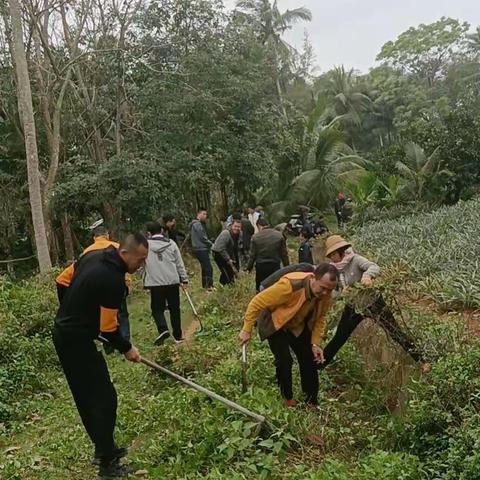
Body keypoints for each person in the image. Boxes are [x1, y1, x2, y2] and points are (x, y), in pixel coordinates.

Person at [53, 234, 148, 478]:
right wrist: (128, 348)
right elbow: (108, 330)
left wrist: (70, 310)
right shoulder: (113, 281)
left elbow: (62, 280)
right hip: (73, 341)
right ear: (125, 254)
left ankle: (104, 450)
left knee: (95, 396)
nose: (141, 266)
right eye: (140, 260)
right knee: (102, 399)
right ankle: (107, 463)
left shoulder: (96, 252)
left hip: (70, 334)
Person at [238, 263, 338, 407]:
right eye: (323, 288)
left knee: (308, 359)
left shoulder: (325, 295)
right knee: (284, 360)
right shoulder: (290, 285)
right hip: (276, 323)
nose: (325, 293)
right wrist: (246, 329)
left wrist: (315, 343)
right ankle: (287, 398)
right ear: (314, 278)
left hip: (297, 324)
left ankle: (311, 401)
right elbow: (257, 302)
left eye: (329, 290)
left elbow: (320, 319)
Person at [321, 235, 424, 367]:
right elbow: (333, 291)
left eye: (333, 254)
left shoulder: (355, 260)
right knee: (340, 337)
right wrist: (341, 293)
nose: (332, 258)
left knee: (395, 332)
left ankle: (422, 361)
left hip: (373, 303)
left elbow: (374, 266)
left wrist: (367, 276)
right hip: (353, 306)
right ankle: (320, 364)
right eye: (330, 255)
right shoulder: (334, 269)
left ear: (340, 251)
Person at [56, 225, 131, 353]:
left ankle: (109, 347)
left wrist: (67, 305)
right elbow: (125, 270)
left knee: (102, 319)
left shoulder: (87, 252)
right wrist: (127, 287)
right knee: (121, 314)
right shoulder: (117, 247)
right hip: (116, 286)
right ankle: (124, 343)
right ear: (107, 235)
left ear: (94, 238)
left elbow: (62, 279)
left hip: (93, 292)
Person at [144, 221, 189, 345]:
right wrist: (184, 279)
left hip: (155, 283)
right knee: (175, 308)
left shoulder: (145, 246)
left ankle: (163, 329)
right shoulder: (171, 244)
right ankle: (178, 336)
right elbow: (179, 263)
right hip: (172, 281)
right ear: (162, 231)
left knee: (157, 309)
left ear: (148, 233)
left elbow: (140, 263)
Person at [246, 218, 289, 291]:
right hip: (275, 266)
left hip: (261, 267)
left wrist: (248, 268)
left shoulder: (255, 237)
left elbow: (252, 256)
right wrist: (287, 267)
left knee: (260, 288)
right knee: (274, 288)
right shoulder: (279, 235)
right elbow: (284, 254)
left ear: (259, 226)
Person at [211, 219, 242, 286]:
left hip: (227, 252)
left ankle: (223, 284)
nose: (237, 228)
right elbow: (220, 249)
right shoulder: (226, 233)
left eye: (238, 227)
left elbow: (235, 250)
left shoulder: (238, 235)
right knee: (227, 272)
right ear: (231, 226)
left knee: (230, 271)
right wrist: (228, 260)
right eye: (235, 226)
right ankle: (226, 285)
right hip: (218, 253)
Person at [190, 208, 214, 289]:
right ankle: (209, 286)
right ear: (198, 214)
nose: (205, 216)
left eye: (206, 214)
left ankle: (205, 285)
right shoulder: (197, 224)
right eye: (203, 214)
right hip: (201, 248)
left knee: (204, 267)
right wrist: (211, 244)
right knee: (208, 268)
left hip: (199, 248)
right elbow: (203, 237)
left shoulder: (197, 224)